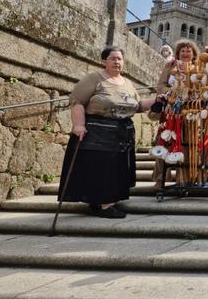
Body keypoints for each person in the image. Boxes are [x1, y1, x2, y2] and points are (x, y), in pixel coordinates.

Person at [58, 47, 161, 218]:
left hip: (123, 134)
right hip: (98, 132)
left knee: (116, 169)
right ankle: (102, 205)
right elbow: (77, 101)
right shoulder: (94, 78)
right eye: (112, 58)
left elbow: (138, 106)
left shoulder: (127, 83)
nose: (117, 62)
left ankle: (110, 200)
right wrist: (79, 125)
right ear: (104, 61)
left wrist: (157, 100)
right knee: (101, 169)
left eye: (119, 59)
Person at [152, 39, 200, 187]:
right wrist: (173, 93)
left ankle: (184, 178)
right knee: (165, 141)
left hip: (190, 110)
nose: (185, 53)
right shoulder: (170, 65)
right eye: (183, 51)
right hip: (171, 109)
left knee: (187, 143)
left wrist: (190, 94)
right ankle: (161, 178)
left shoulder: (198, 68)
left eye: (188, 51)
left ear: (193, 54)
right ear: (178, 53)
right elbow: (160, 85)